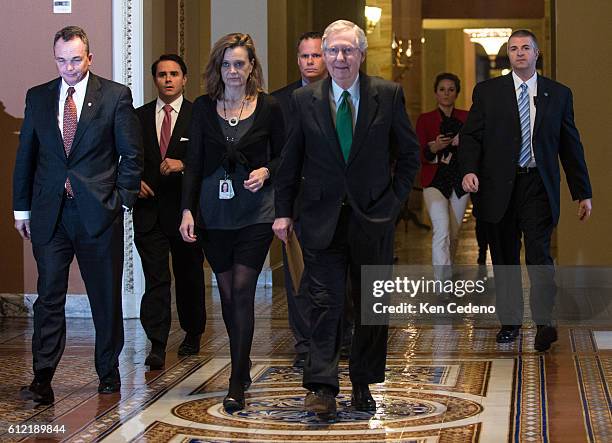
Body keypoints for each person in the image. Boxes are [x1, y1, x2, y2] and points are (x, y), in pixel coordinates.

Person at [273, 20, 420, 417]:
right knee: (324, 303)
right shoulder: (305, 101)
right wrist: (283, 212)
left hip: (373, 219)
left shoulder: (386, 95)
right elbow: (290, 162)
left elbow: (409, 156)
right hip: (320, 219)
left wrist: (392, 204)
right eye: (333, 51)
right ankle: (321, 386)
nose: (340, 58)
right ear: (323, 54)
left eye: (348, 51)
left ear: (361, 54)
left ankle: (361, 382)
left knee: (371, 305)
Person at [12, 26, 142, 404]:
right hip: (49, 214)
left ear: (89, 57)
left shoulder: (115, 96)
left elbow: (132, 154)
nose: (69, 67)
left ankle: (108, 372)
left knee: (104, 296)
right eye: (62, 59)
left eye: (75, 59)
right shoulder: (38, 97)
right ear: (55, 58)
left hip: (98, 213)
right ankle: (42, 379)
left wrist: (122, 200)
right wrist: (22, 208)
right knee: (48, 297)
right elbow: (27, 157)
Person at [460, 29, 592, 351]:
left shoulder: (558, 94)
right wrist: (468, 170)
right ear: (509, 54)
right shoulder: (488, 92)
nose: (519, 53)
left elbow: (570, 145)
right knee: (504, 258)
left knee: (539, 256)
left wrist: (582, 191)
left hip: (537, 185)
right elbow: (472, 136)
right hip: (498, 186)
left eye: (525, 48)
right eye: (514, 48)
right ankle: (510, 323)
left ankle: (545, 323)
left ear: (536, 54)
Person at [179, 33, 284, 413]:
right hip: (212, 213)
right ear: (217, 68)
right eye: (227, 64)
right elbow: (192, 163)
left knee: (242, 289)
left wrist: (268, 170)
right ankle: (243, 363)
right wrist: (187, 210)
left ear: (252, 67)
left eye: (240, 63)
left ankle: (237, 377)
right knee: (226, 294)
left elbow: (288, 154)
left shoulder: (270, 106)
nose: (234, 70)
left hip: (255, 213)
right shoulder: (204, 108)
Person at [133, 54, 205, 370]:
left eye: (174, 73)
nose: (168, 79)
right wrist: (132, 181)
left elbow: (211, 160)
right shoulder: (138, 116)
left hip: (185, 212)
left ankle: (192, 332)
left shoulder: (198, 115)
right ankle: (158, 343)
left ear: (184, 78)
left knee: (189, 275)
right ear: (155, 80)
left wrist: (184, 165)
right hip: (148, 212)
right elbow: (125, 156)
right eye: (162, 74)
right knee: (156, 279)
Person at [271, 31, 328, 368]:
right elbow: (278, 157)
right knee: (298, 278)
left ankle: (338, 337)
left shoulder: (342, 95)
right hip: (295, 203)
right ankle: (305, 343)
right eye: (305, 56)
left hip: (335, 203)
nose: (310, 62)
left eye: (316, 55)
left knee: (335, 274)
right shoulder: (280, 101)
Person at [416, 73, 469, 281]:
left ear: (456, 93)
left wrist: (460, 141)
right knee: (442, 228)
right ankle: (442, 283)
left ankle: (448, 271)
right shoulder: (425, 119)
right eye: (442, 89)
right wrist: (434, 147)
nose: (446, 93)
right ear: (435, 92)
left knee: (453, 234)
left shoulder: (466, 118)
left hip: (459, 180)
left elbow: (477, 145)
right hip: (434, 180)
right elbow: (418, 153)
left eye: (451, 89)